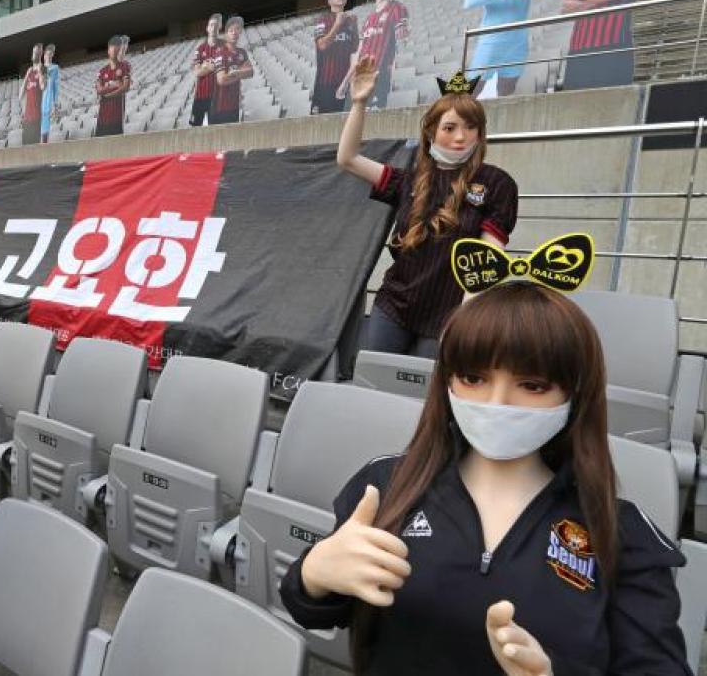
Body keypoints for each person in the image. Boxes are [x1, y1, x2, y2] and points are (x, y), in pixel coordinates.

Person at [279, 281, 691, 674]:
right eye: (474, 379)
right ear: (448, 383)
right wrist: (312, 573)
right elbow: (315, 607)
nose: (497, 404)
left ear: (574, 394)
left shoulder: (624, 535)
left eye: (532, 385)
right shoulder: (386, 485)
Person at [337, 61, 518, 356]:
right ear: (431, 131)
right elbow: (347, 158)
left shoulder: (497, 184)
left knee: (423, 397)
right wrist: (359, 103)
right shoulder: (410, 177)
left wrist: (466, 320)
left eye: (471, 127)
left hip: (449, 317)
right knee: (375, 386)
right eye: (450, 128)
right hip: (393, 308)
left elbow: (485, 263)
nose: (461, 137)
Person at [344, 0, 410, 109]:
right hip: (359, 76)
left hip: (379, 75)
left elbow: (402, 40)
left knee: (369, 119)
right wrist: (346, 81)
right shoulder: (369, 18)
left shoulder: (397, 8)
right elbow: (359, 51)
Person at [312, 0, 359, 114]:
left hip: (345, 82)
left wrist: (355, 28)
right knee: (323, 123)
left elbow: (355, 48)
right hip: (326, 82)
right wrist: (337, 25)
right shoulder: (322, 19)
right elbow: (322, 45)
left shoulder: (350, 21)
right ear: (329, 0)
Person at [211, 16, 254, 125]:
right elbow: (221, 80)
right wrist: (241, 73)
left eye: (237, 29)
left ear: (240, 32)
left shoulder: (242, 52)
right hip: (218, 107)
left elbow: (251, 72)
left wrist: (235, 73)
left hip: (234, 105)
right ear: (226, 34)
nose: (234, 33)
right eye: (231, 30)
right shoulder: (220, 52)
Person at [190, 14, 225, 126]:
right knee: (194, 129)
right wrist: (211, 67)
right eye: (211, 25)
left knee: (215, 130)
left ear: (219, 27)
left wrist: (205, 66)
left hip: (217, 97)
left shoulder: (225, 47)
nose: (213, 27)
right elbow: (196, 72)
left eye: (216, 25)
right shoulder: (200, 48)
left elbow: (224, 70)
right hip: (200, 96)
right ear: (207, 28)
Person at [95, 35, 132, 137]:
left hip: (116, 116)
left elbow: (124, 87)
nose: (121, 51)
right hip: (103, 117)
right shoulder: (103, 71)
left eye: (124, 47)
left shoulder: (125, 66)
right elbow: (99, 90)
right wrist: (113, 85)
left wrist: (107, 89)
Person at [21, 43, 45, 144]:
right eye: (34, 52)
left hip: (37, 116)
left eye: (37, 52)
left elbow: (44, 87)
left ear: (41, 54)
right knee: (25, 146)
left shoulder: (44, 69)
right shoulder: (29, 71)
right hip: (27, 116)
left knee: (34, 146)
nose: (34, 54)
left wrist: (40, 73)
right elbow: (22, 94)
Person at [40, 44, 60, 143]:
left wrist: (55, 104)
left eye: (50, 54)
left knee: (46, 130)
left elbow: (56, 88)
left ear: (52, 55)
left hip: (48, 101)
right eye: (47, 54)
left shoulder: (55, 68)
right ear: (44, 55)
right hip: (39, 102)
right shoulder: (40, 68)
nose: (48, 56)